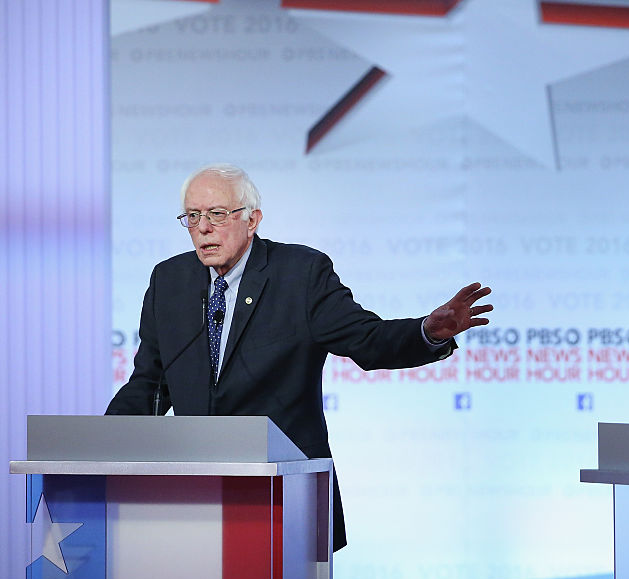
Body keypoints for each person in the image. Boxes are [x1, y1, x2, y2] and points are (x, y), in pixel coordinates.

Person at [107, 163, 493, 552]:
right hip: (195, 499)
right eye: (193, 216)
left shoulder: (300, 274)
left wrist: (426, 331)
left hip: (284, 495)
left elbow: (366, 339)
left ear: (251, 220)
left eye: (217, 214)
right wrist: (100, 447)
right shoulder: (169, 281)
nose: (203, 227)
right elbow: (149, 384)